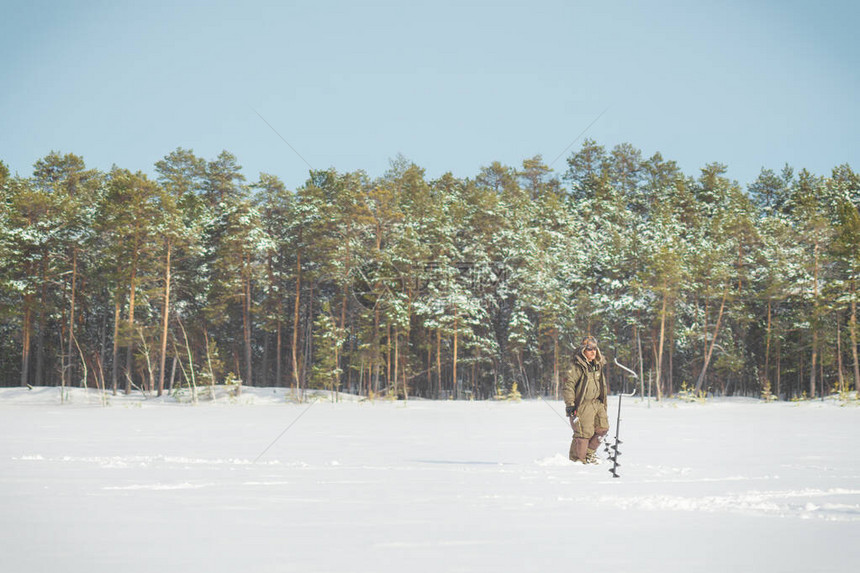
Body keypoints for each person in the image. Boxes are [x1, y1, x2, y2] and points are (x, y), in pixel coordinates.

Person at [563, 336, 609, 464]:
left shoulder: (597, 365)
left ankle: (588, 454)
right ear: (583, 350)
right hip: (583, 404)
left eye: (595, 348)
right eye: (589, 349)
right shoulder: (576, 366)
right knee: (583, 433)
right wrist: (570, 405)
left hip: (597, 403)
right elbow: (568, 386)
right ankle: (577, 461)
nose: (593, 352)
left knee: (603, 429)